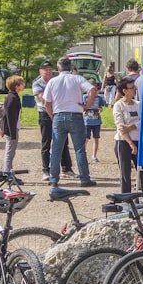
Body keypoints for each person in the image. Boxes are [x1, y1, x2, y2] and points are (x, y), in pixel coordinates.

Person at [43, 56, 97, 187]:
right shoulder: (77, 78)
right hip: (75, 115)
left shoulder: (52, 81)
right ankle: (84, 178)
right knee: (79, 149)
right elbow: (93, 90)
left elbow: (46, 103)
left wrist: (53, 116)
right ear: (71, 67)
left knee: (56, 148)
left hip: (58, 115)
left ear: (58, 68)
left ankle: (53, 178)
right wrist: (87, 106)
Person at [33, 60, 73, 182]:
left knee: (64, 141)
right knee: (46, 143)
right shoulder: (37, 83)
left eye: (50, 69)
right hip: (45, 114)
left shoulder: (56, 81)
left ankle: (66, 168)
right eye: (46, 70)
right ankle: (46, 170)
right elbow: (42, 99)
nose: (48, 72)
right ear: (41, 71)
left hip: (58, 112)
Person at [112, 78, 143, 193]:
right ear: (124, 90)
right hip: (124, 142)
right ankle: (126, 197)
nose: (135, 90)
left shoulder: (139, 105)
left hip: (139, 140)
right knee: (125, 171)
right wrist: (130, 143)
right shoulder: (118, 106)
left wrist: (132, 126)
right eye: (132, 88)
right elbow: (120, 126)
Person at [0, 75, 25, 174]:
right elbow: (8, 116)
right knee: (10, 152)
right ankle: (7, 173)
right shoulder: (12, 98)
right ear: (16, 86)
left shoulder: (13, 97)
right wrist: (11, 132)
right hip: (11, 129)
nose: (24, 85)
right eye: (22, 84)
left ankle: (8, 171)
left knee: (11, 152)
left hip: (12, 127)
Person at [83, 89, 105, 163]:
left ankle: (94, 156)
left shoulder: (99, 98)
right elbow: (82, 107)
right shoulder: (85, 97)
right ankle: (83, 155)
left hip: (96, 121)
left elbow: (101, 108)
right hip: (87, 121)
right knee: (85, 139)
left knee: (96, 138)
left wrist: (100, 109)